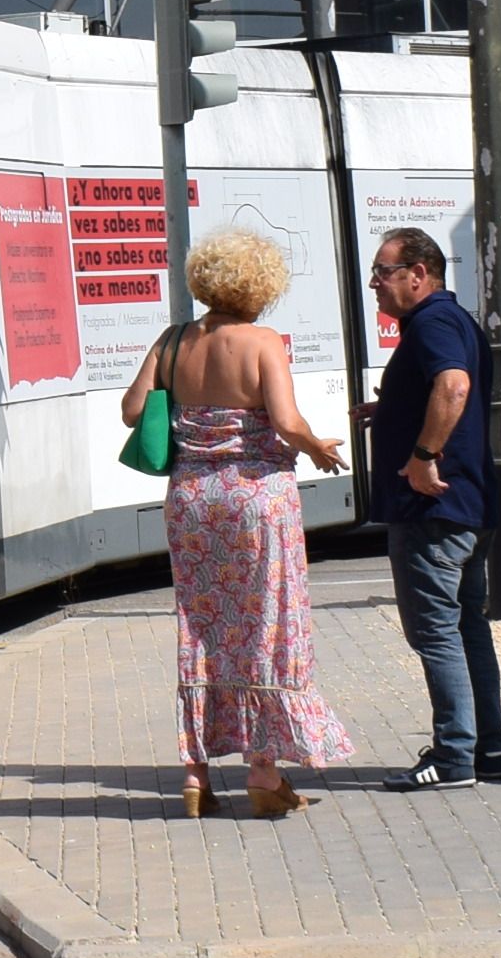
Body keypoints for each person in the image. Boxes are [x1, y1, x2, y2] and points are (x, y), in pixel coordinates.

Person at [119, 228, 352, 820]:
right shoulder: (262, 341)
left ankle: (196, 775)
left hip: (193, 499)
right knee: (267, 625)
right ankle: (262, 771)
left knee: (199, 627)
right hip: (256, 499)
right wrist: (318, 449)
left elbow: (131, 411)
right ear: (262, 284)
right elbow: (285, 419)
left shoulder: (172, 342)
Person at [367, 226, 501, 790]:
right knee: (467, 628)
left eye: (383, 272)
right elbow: (439, 389)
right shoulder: (452, 320)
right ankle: (485, 752)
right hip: (467, 505)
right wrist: (390, 410)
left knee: (436, 634)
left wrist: (424, 456)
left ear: (418, 275)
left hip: (432, 509)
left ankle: (453, 758)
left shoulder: (432, 323)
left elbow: (452, 387)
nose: (375, 283)